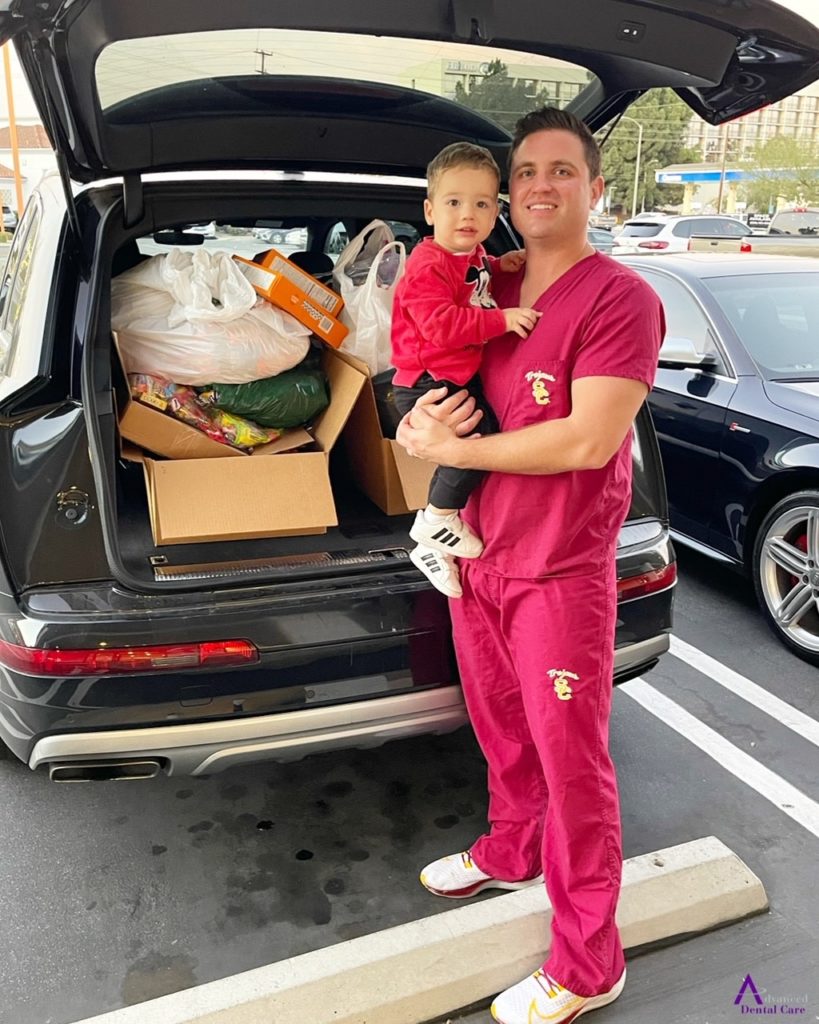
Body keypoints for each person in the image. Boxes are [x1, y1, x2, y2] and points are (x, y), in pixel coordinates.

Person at [396, 108, 665, 1024]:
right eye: (525, 172)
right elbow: (422, 394)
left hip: (558, 574)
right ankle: (512, 852)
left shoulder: (618, 298)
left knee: (572, 765)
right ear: (504, 193)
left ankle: (589, 963)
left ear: (595, 188)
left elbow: (588, 441)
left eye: (561, 170)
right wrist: (417, 430)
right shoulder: (485, 281)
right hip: (481, 563)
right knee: (500, 731)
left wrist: (457, 457)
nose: (539, 186)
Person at [390, 141, 541, 599]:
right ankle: (434, 526)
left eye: (481, 203)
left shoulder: (469, 255)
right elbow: (439, 326)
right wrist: (502, 320)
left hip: (450, 379)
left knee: (484, 437)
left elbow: (472, 285)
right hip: (427, 385)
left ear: (496, 213)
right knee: (477, 442)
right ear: (430, 210)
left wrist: (499, 263)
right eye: (454, 202)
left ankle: (438, 529)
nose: (467, 214)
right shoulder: (427, 264)